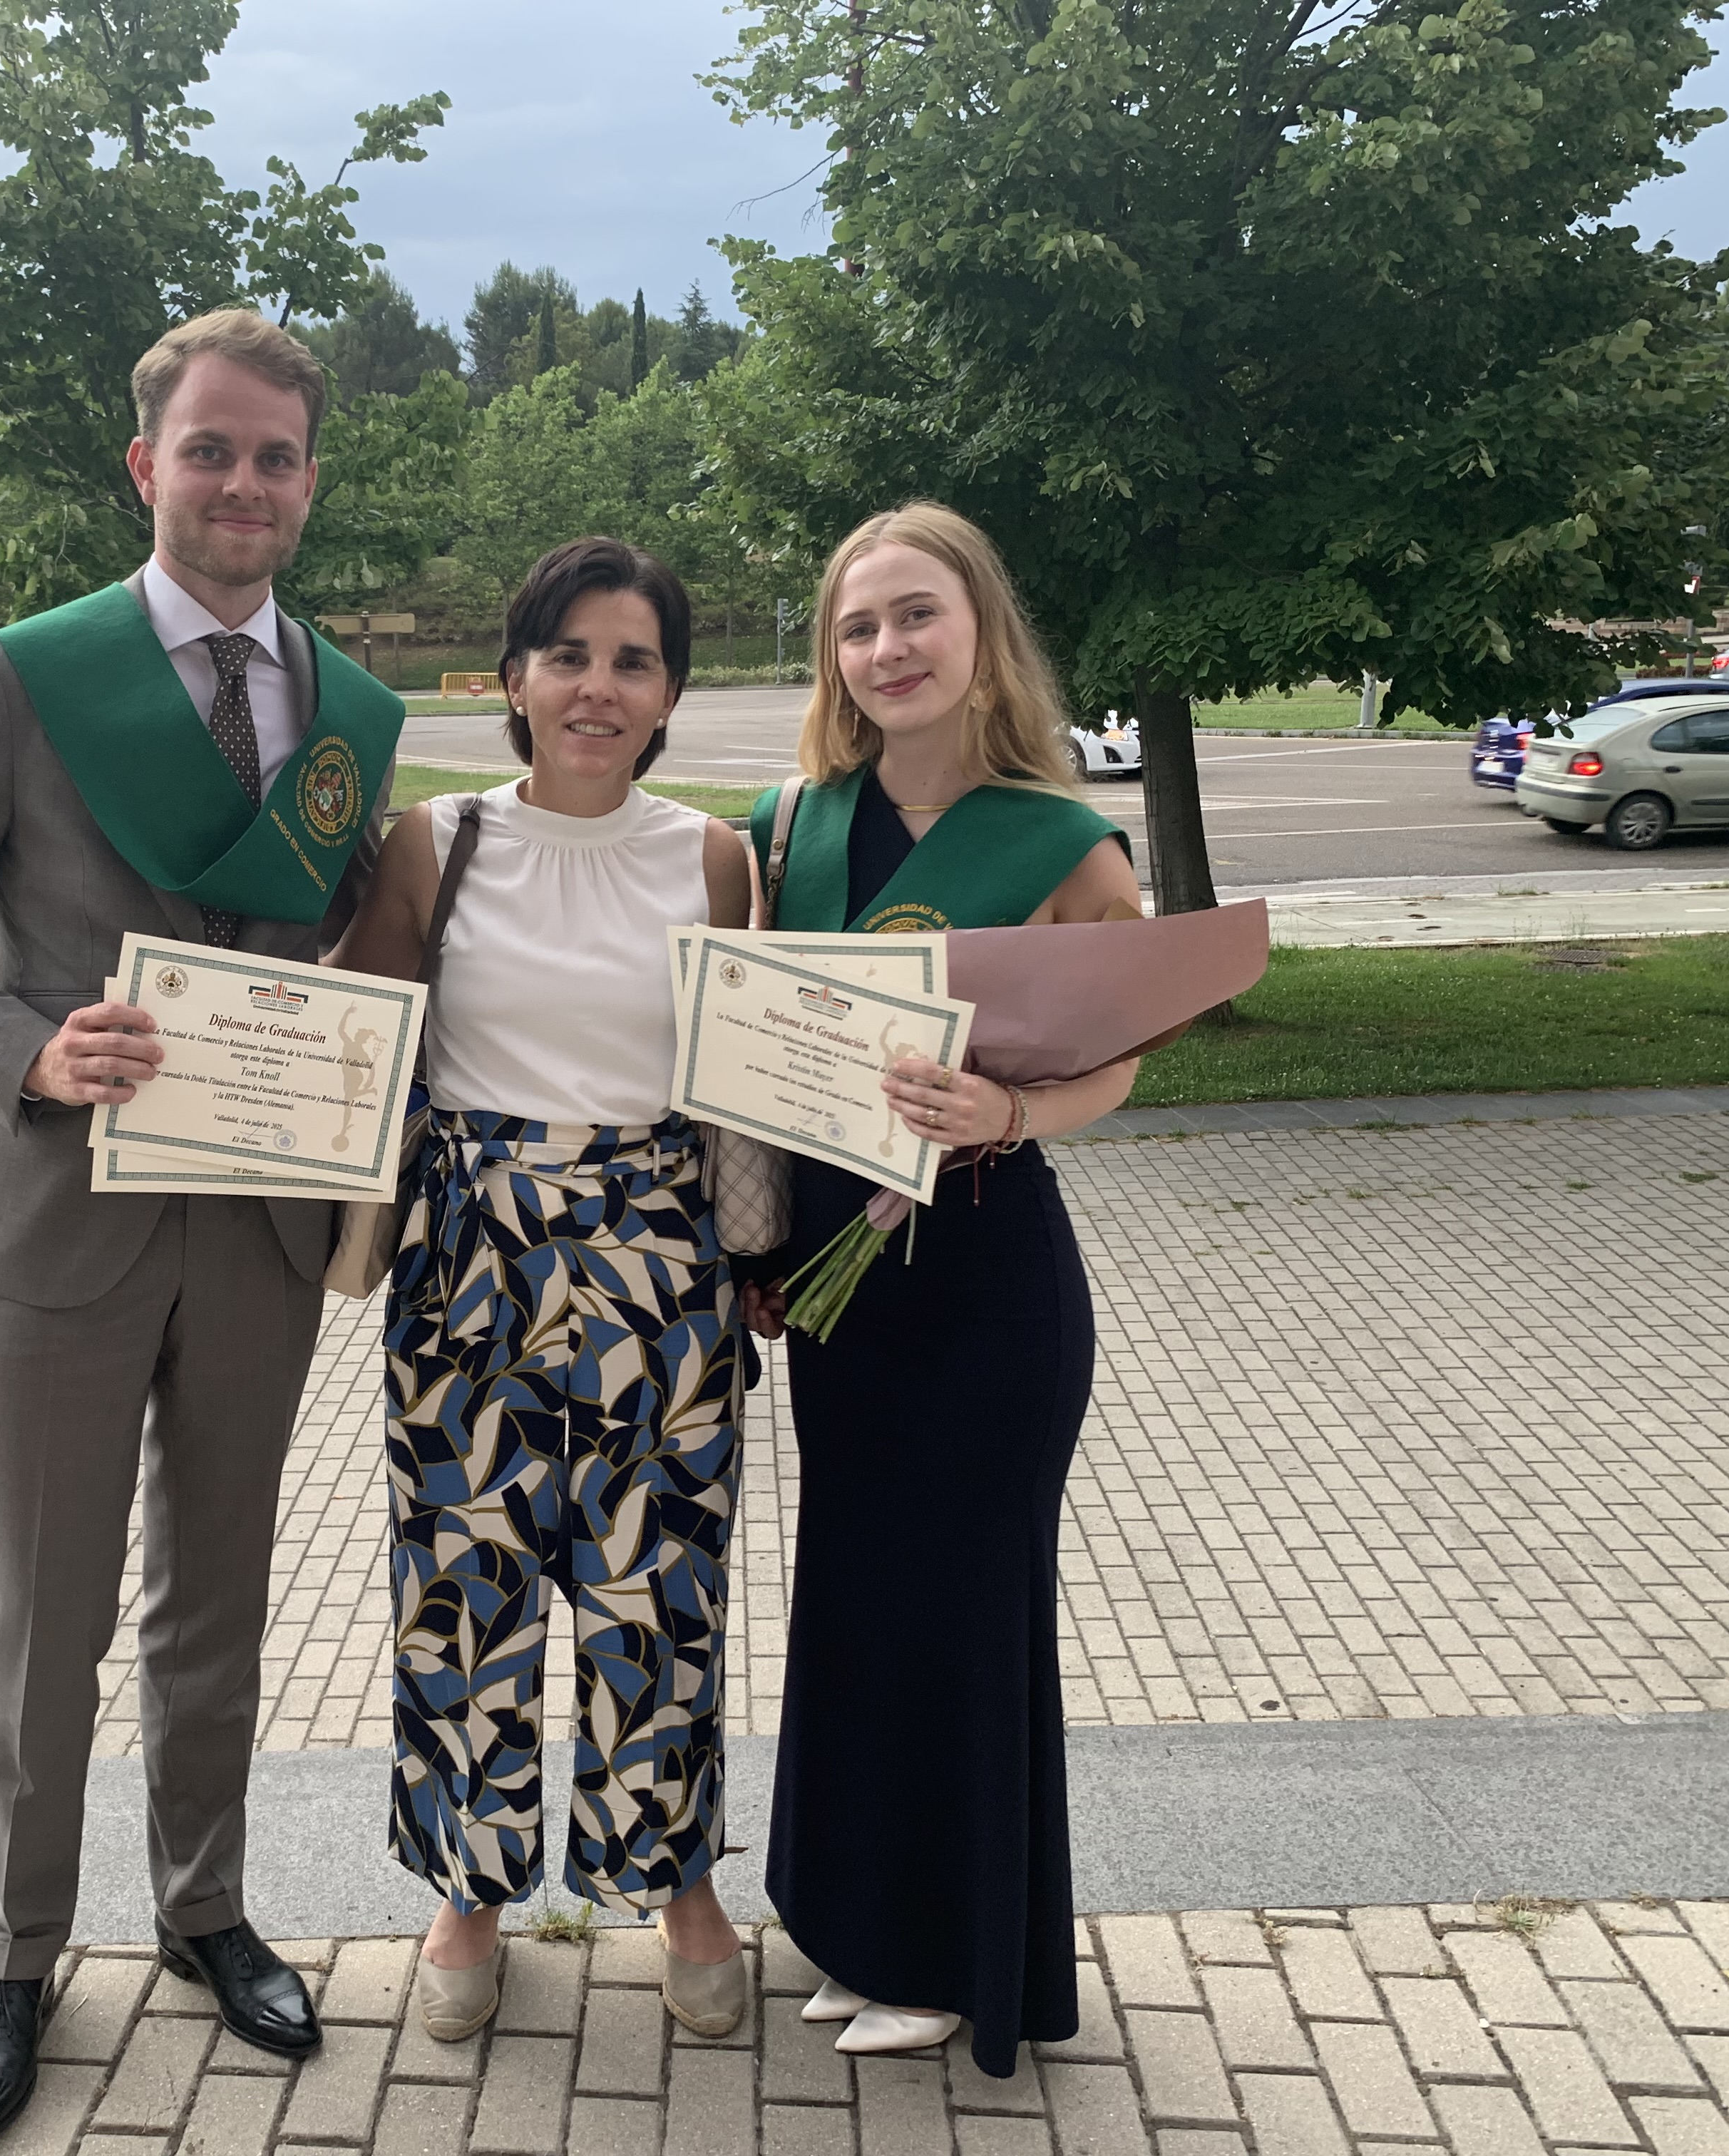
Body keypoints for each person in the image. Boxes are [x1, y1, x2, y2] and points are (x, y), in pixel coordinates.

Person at [0, 309, 403, 2142]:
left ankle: (209, 1910)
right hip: (59, 1230)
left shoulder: (348, 706)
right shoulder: (17, 678)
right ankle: (17, 1954)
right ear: (145, 463)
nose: (246, 483)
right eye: (214, 448)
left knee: (217, 1604)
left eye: (279, 456)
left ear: (310, 485)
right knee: (46, 1618)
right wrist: (28, 1046)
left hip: (251, 1227)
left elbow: (329, 952)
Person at [332, 537, 757, 2045]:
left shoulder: (716, 855)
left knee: (662, 1590)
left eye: (633, 659)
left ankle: (679, 1878)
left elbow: (753, 1079)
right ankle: (471, 1883)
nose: (597, 686)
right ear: (513, 678)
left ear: (669, 693)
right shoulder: (430, 844)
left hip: (661, 1260)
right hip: (469, 1260)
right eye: (568, 654)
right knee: (468, 1584)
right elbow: (358, 1038)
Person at [742, 501, 1144, 2076]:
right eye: (858, 626)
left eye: (917, 615)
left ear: (981, 630)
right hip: (843, 1283)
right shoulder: (796, 821)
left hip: (982, 1273)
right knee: (853, 1599)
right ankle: (854, 1924)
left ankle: (960, 1957)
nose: (887, 649)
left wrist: (1018, 1110)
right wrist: (761, 1247)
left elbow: (1121, 1056)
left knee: (964, 1617)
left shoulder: (1061, 836)